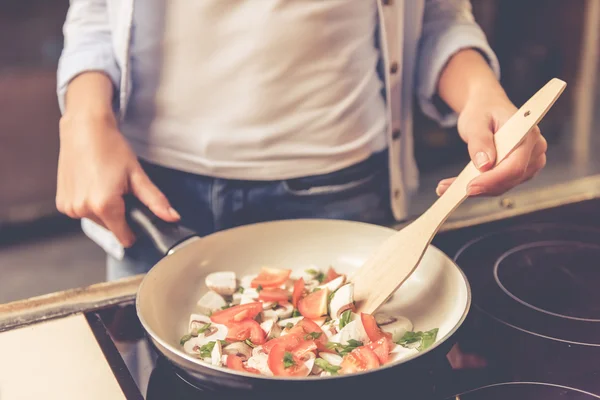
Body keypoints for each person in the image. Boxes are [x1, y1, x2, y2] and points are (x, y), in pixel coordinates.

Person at [55, 0, 547, 388]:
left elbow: (437, 12)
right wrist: (84, 116)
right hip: (153, 190)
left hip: (338, 186)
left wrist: (480, 89)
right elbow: (95, 10)